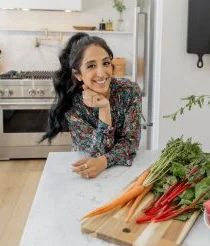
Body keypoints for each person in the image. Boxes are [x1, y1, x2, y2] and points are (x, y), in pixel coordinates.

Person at [40, 32, 142, 179]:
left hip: (123, 172)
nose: (101, 73)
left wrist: (104, 161)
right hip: (86, 171)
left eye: (106, 63)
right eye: (91, 66)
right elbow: (96, 152)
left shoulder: (130, 91)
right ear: (78, 74)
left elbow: (131, 142)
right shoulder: (72, 104)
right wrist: (104, 110)